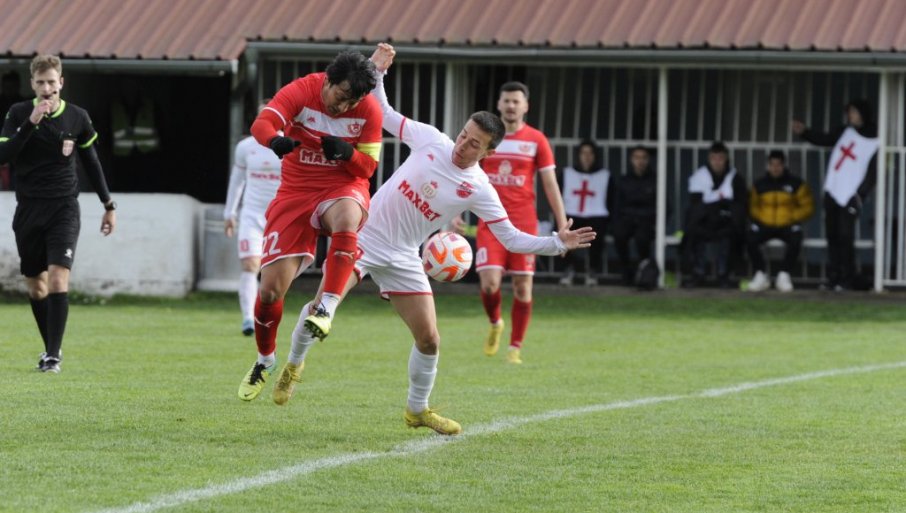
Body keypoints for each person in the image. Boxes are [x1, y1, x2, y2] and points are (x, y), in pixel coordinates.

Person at [269, 43, 595, 435]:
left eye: (474, 144)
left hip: (405, 256)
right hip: (365, 236)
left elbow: (510, 238)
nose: (462, 144)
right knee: (324, 308)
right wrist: (378, 73)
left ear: (487, 153)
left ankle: (417, 410)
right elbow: (385, 114)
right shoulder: (431, 140)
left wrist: (557, 243)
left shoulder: (479, 188)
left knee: (430, 340)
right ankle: (293, 366)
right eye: (464, 135)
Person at [237, 50, 383, 401]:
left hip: (341, 187)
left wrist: (347, 153)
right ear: (328, 81)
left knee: (347, 216)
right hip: (296, 192)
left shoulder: (369, 110)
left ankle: (326, 305)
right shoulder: (302, 90)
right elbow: (261, 125)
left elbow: (368, 168)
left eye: (353, 102)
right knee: (270, 292)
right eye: (341, 96)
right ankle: (265, 359)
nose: (344, 107)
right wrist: (274, 140)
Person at [0, 55, 116, 373]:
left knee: (57, 276)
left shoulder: (77, 117)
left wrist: (108, 205)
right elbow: (4, 155)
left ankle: (52, 356)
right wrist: (31, 122)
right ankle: (51, 346)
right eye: (40, 82)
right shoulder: (18, 113)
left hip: (64, 207)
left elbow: (91, 162)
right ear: (32, 84)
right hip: (29, 208)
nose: (47, 88)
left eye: (52, 81)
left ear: (61, 82)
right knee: (36, 287)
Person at [475, 81, 567, 365]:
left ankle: (515, 348)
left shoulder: (537, 140)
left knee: (522, 287)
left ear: (526, 106)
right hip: (491, 221)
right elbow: (466, 174)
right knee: (490, 283)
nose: (511, 106)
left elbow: (550, 183)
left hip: (524, 222)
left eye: (516, 101)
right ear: (499, 104)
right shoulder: (488, 137)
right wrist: (454, 212)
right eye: (506, 101)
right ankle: (495, 323)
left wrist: (562, 224)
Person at [792, 100, 878, 291]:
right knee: (832, 235)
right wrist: (805, 132)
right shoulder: (844, 131)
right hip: (833, 189)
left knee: (845, 236)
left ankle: (847, 278)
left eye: (854, 112)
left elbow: (873, 173)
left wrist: (860, 195)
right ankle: (834, 276)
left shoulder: (876, 140)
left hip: (851, 194)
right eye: (849, 112)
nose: (850, 116)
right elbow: (824, 139)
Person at [223, 101, 281, 335]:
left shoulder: (288, 145)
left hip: (278, 217)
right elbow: (237, 181)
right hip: (251, 215)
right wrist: (230, 213)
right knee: (250, 265)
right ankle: (248, 318)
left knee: (274, 274)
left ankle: (265, 317)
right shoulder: (245, 147)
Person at [745, 150, 815, 292]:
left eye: (778, 165)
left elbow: (807, 206)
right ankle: (760, 274)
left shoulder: (796, 184)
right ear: (768, 166)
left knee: (796, 237)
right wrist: (761, 217)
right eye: (772, 165)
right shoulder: (759, 184)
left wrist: (792, 217)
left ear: (784, 165)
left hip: (787, 224)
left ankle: (784, 274)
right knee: (750, 237)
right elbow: (752, 206)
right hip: (765, 223)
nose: (775, 168)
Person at [681, 141, 746, 288]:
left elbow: (739, 205)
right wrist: (718, 205)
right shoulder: (700, 176)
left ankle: (724, 274)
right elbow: (695, 205)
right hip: (704, 221)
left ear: (726, 159)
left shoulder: (735, 178)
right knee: (693, 232)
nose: (717, 162)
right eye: (714, 158)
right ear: (709, 159)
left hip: (725, 221)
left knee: (732, 233)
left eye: (720, 158)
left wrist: (719, 208)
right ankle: (698, 273)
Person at [558, 139, 612, 287]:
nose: (587, 157)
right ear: (578, 155)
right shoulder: (567, 173)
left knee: (597, 236)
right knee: (563, 233)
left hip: (597, 215)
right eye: (583, 153)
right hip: (571, 214)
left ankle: (592, 270)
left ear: (595, 156)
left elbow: (611, 199)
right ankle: (567, 269)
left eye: (590, 153)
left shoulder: (605, 175)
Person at [612, 145, 657, 286]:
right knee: (619, 235)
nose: (640, 161)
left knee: (642, 238)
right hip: (627, 219)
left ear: (648, 160)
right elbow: (617, 205)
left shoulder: (655, 180)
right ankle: (626, 271)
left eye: (643, 158)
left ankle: (644, 271)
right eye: (637, 157)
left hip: (647, 220)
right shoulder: (625, 180)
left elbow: (664, 207)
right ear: (631, 159)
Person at [0, 70, 25, 190]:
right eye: (6, 87)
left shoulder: (23, 105)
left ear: (18, 87)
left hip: (19, 145)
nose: (9, 90)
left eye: (12, 87)